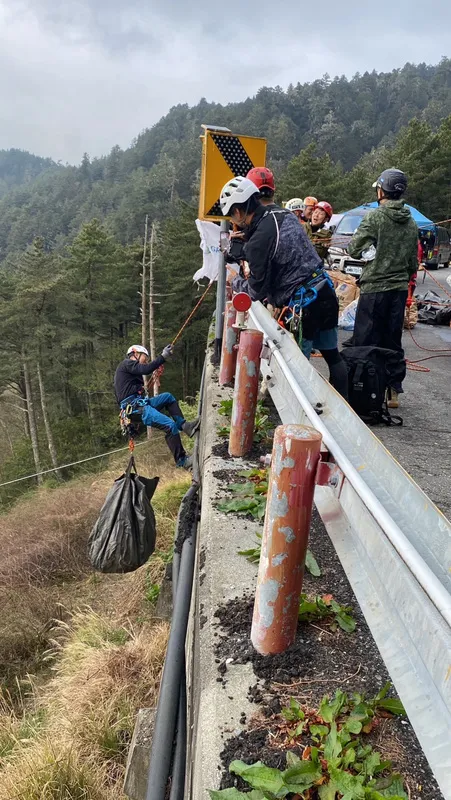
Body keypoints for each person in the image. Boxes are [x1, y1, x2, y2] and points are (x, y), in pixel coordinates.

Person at [220, 176, 348, 399]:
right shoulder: (284, 214)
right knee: (332, 356)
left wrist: (235, 280)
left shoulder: (258, 241)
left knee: (298, 370)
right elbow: (276, 240)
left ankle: (304, 417)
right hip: (324, 291)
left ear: (238, 211)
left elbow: (256, 291)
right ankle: (345, 405)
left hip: (303, 305)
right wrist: (247, 244)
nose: (233, 220)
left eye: (232, 215)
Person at [347, 168, 418, 409]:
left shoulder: (375, 217)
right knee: (392, 340)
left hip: (375, 289)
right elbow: (412, 262)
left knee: (365, 339)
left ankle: (363, 389)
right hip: (398, 290)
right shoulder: (411, 222)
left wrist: (371, 251)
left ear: (381, 191)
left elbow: (354, 249)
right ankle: (393, 390)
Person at [114, 345, 199, 469]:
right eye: (145, 358)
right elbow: (146, 369)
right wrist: (163, 357)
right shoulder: (126, 364)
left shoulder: (130, 372)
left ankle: (185, 426)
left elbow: (141, 374)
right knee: (170, 426)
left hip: (140, 404)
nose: (146, 361)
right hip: (135, 408)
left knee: (168, 397)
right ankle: (182, 461)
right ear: (135, 354)